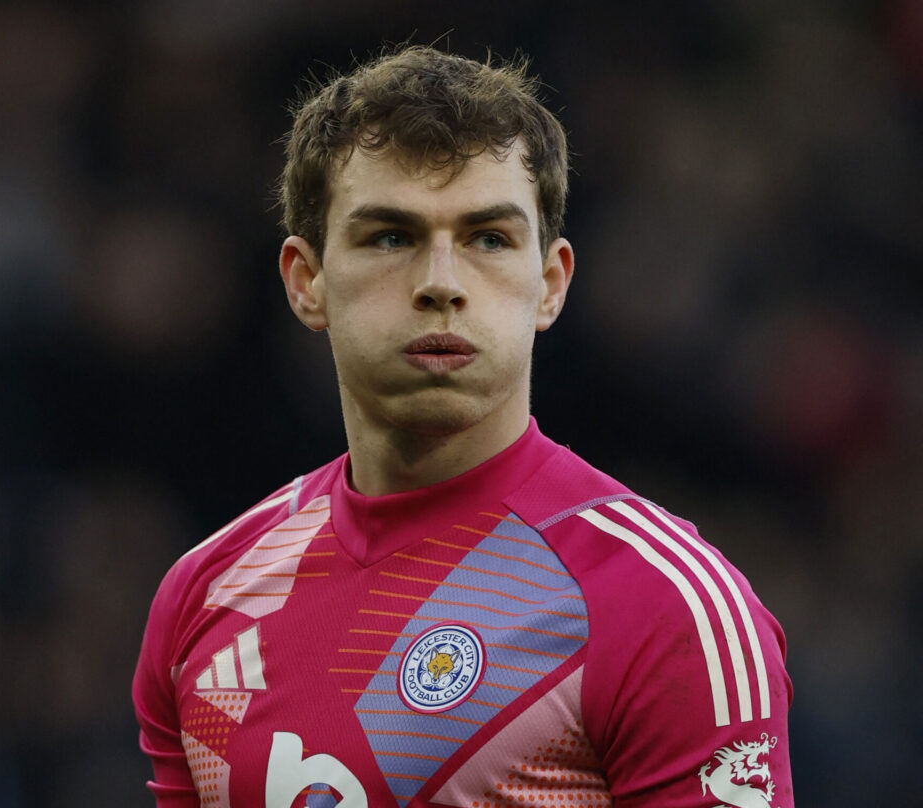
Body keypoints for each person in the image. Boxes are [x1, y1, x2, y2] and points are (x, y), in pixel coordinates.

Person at [133, 46, 793, 807]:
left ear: (550, 284)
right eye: (391, 237)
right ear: (306, 281)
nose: (441, 284)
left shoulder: (666, 608)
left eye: (488, 239)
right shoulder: (205, 598)